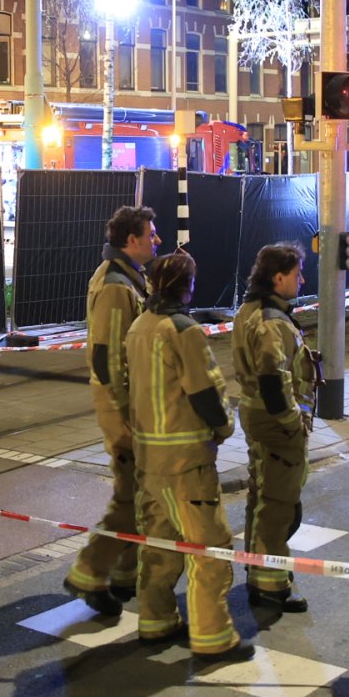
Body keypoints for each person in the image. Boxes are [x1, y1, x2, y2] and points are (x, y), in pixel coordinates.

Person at [125, 251, 251, 664]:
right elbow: (206, 394)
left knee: (159, 545)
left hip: (150, 459)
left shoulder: (139, 327)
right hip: (186, 461)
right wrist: (224, 427)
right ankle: (214, 638)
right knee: (209, 550)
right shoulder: (183, 330)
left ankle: (156, 621)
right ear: (186, 287)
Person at [62, 205, 159, 618]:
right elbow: (106, 356)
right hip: (123, 405)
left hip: (127, 402)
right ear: (131, 240)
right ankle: (89, 570)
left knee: (134, 491)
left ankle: (124, 574)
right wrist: (125, 417)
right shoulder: (118, 285)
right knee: (130, 494)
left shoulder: (128, 277)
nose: (156, 240)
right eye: (151, 234)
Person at [232, 243, 317, 615]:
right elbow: (273, 380)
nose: (302, 279)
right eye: (297, 273)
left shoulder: (251, 310)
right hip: (275, 425)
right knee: (278, 506)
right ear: (278, 277)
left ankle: (257, 569)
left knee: (262, 497)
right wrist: (293, 425)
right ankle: (271, 587)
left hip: (257, 418)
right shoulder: (271, 322)